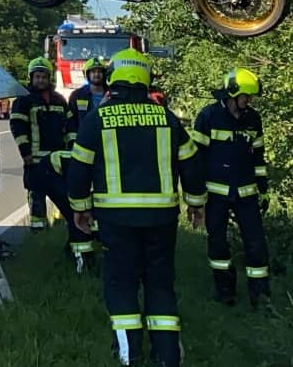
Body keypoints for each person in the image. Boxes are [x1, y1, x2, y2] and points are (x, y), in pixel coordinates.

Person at [67, 48, 207, 367]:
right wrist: (195, 203)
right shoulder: (166, 117)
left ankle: (130, 355)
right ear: (146, 79)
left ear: (114, 78)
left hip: (116, 220)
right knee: (160, 282)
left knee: (121, 283)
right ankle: (168, 355)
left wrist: (80, 207)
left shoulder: (98, 118)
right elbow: (192, 163)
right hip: (162, 218)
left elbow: (78, 168)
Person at [192, 67, 272, 308]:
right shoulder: (208, 117)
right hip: (215, 194)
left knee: (256, 244)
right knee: (218, 243)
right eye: (245, 96)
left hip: (246, 193)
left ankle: (261, 297)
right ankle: (224, 292)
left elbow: (258, 156)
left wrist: (263, 189)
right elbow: (195, 159)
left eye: (250, 97)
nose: (248, 101)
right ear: (231, 94)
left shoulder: (253, 119)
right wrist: (196, 195)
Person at [11, 57, 76, 233]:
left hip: (57, 158)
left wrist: (71, 148)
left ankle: (65, 224)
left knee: (63, 194)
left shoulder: (59, 100)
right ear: (31, 77)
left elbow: (70, 126)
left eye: (44, 76)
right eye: (37, 76)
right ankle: (38, 232)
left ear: (49, 78)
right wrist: (25, 153)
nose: (41, 80)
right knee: (36, 195)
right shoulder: (24, 100)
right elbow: (18, 128)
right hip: (35, 159)